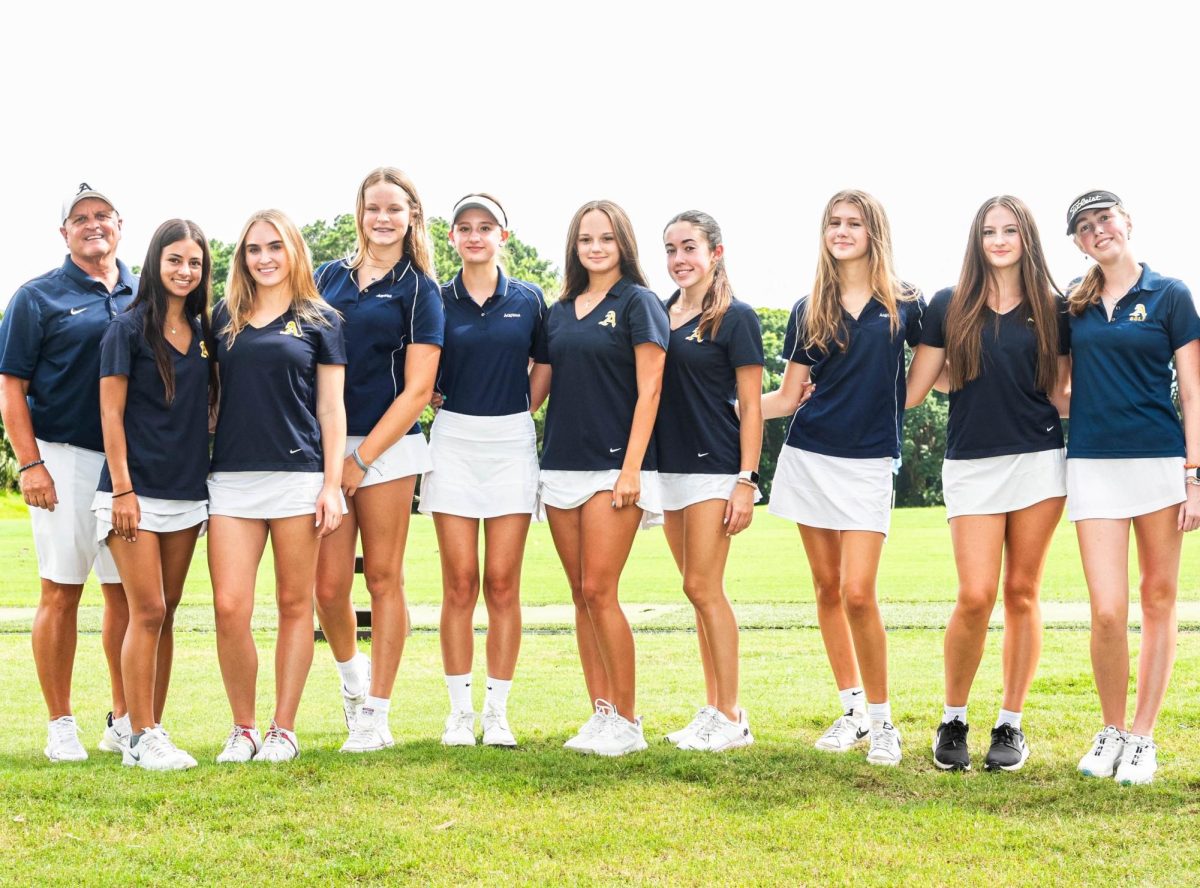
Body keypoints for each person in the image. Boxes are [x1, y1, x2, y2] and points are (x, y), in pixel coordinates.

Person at [906, 196, 1069, 772]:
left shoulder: (1055, 308)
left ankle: (1010, 724)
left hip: (1039, 460)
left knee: (1022, 592)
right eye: (989, 231)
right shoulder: (951, 306)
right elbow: (914, 389)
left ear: (1028, 238)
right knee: (975, 595)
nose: (999, 240)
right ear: (977, 240)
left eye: (1010, 230)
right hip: (972, 462)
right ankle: (953, 717)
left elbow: (1062, 393)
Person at [761, 189, 923, 766]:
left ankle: (883, 723)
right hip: (810, 456)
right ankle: (854, 713)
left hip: (871, 462)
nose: (842, 231)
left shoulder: (906, 303)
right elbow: (786, 396)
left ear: (873, 231)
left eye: (854, 222)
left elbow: (925, 375)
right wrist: (717, 408)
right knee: (828, 589)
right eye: (834, 222)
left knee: (859, 592)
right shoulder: (810, 308)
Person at [1061, 190, 1200, 785]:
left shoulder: (1171, 295)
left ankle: (1142, 738)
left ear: (1126, 222)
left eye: (1105, 220)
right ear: (1078, 241)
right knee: (1108, 611)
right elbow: (1057, 387)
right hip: (1092, 465)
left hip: (1162, 466)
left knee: (1159, 599)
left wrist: (1195, 476)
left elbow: (1193, 393)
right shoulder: (1073, 303)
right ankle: (1112, 729)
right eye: (1085, 227)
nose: (1098, 232)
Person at [0, 183, 135, 761]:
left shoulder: (144, 292)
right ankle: (60, 724)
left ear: (120, 224)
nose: (92, 224)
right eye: (80, 218)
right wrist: (30, 464)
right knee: (61, 590)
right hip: (63, 457)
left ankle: (124, 720)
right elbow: (11, 388)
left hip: (130, 464)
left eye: (102, 215)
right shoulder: (36, 297)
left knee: (127, 595)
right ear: (64, 233)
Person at [209, 209, 347, 764]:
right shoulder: (222, 317)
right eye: (252, 249)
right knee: (228, 607)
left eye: (273, 247)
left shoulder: (322, 319)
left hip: (298, 477)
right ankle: (242, 727)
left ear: (293, 250)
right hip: (232, 481)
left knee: (295, 604)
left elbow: (331, 408)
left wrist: (332, 484)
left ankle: (282, 729)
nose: (263, 258)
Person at [313, 168, 443, 753]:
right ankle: (352, 683)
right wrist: (333, 457)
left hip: (388, 449)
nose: (383, 219)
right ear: (359, 213)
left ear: (412, 215)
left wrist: (362, 459)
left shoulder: (421, 290)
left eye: (395, 209)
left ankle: (378, 713)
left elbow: (419, 389)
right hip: (326, 448)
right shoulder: (324, 278)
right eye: (373, 209)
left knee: (385, 577)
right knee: (329, 585)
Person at [535, 199, 668, 757]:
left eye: (606, 239)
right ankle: (602, 713)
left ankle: (630, 721)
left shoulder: (638, 303)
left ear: (623, 245)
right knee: (579, 595)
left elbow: (651, 389)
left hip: (615, 468)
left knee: (600, 589)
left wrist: (632, 468)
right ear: (575, 246)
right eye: (586, 238)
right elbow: (535, 389)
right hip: (560, 463)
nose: (595, 247)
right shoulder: (560, 308)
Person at [420, 193, 547, 748]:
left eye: (486, 227)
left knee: (501, 583)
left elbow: (542, 366)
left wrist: (524, 407)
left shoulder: (530, 299)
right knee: (459, 584)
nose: (475, 236)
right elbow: (419, 367)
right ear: (452, 238)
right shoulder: (435, 297)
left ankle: (497, 712)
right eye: (465, 228)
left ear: (504, 237)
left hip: (510, 440)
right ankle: (458, 714)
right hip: (452, 442)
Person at [94, 219, 217, 770]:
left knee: (164, 614)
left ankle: (146, 729)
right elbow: (110, 414)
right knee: (145, 609)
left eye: (194, 262)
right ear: (154, 262)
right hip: (133, 494)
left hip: (188, 494)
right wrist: (123, 488)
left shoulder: (206, 333)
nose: (184, 270)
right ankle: (140, 736)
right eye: (174, 260)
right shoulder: (126, 329)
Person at [656, 210, 762, 752]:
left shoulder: (736, 318)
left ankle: (732, 715)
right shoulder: (657, 312)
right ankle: (714, 707)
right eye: (672, 249)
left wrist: (746, 479)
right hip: (668, 467)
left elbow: (750, 406)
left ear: (715, 252)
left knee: (703, 586)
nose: (680, 259)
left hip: (715, 466)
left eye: (690, 247)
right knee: (694, 591)